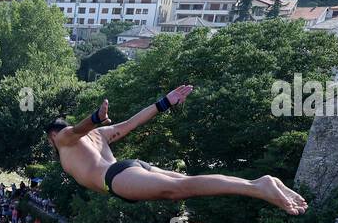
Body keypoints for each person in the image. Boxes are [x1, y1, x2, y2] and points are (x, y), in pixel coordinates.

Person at [46, 86, 307, 214]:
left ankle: (257, 188)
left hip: (115, 179)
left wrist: (95, 117)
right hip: (129, 168)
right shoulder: (97, 136)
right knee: (186, 183)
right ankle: (258, 183)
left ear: (51, 137)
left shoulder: (64, 139)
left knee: (180, 189)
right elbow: (130, 124)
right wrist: (163, 103)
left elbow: (76, 129)